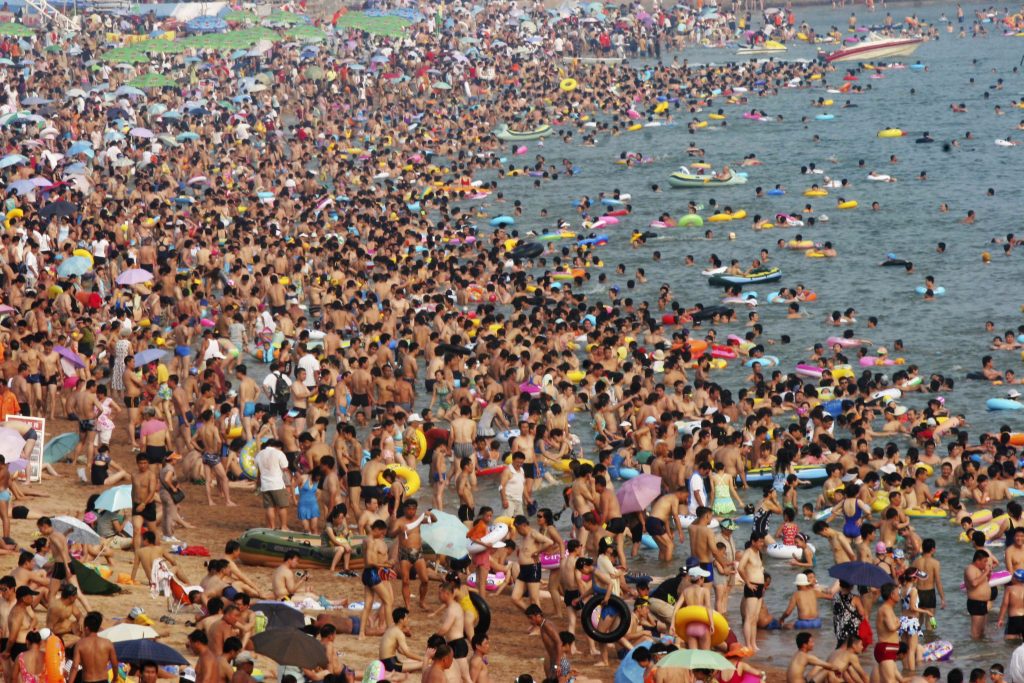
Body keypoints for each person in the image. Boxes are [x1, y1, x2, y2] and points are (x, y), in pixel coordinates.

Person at [738, 531, 768, 652]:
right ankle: (747, 644)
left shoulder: (758, 553)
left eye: (762, 541)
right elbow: (740, 568)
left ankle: (753, 644)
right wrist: (747, 582)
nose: (762, 543)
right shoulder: (748, 552)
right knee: (749, 617)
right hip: (752, 586)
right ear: (753, 542)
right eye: (760, 541)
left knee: (755, 618)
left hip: (760, 587)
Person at [70, 612, 118, 683]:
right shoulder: (107, 643)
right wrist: (115, 678)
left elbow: (75, 667)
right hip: (103, 680)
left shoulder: (80, 644)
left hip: (88, 680)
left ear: (86, 628)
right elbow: (115, 664)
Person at [254, 439, 291, 530]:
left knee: (269, 507)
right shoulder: (279, 453)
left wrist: (258, 484)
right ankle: (283, 526)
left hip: (265, 485)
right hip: (277, 484)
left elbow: (259, 471)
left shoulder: (259, 454)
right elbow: (285, 469)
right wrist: (289, 483)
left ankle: (271, 526)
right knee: (282, 506)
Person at [379, 607, 424, 674]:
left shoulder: (392, 627)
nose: (408, 620)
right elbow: (407, 653)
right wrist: (423, 659)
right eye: (406, 618)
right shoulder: (399, 633)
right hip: (391, 665)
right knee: (424, 663)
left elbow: (400, 651)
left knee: (413, 661)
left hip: (385, 662)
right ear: (401, 620)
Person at [966, 549, 994, 639]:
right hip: (975, 603)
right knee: (976, 632)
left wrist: (988, 574)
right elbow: (974, 583)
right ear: (978, 560)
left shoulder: (980, 570)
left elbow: (984, 582)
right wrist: (985, 572)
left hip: (983, 603)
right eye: (984, 561)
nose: (986, 564)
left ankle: (981, 651)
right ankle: (974, 651)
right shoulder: (970, 569)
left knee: (982, 631)